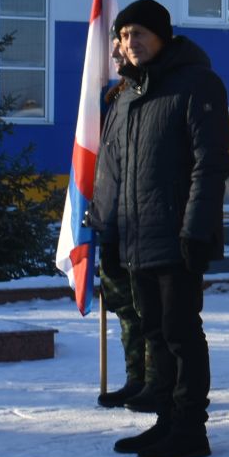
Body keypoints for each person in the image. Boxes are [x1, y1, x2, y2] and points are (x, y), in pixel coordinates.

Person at [93, 0, 229, 457]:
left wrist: (196, 230)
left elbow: (211, 164)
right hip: (135, 240)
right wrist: (108, 235)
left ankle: (192, 428)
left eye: (140, 34)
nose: (131, 43)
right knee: (153, 332)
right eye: (125, 35)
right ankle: (166, 420)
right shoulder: (126, 96)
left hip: (175, 238)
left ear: (163, 37)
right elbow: (111, 174)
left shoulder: (197, 84)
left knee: (179, 332)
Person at [96, 32, 151, 409]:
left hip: (141, 222)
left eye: (124, 43)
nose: (116, 50)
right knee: (124, 309)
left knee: (147, 309)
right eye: (116, 42)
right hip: (112, 218)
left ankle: (157, 383)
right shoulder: (114, 99)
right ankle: (136, 378)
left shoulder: (146, 95)